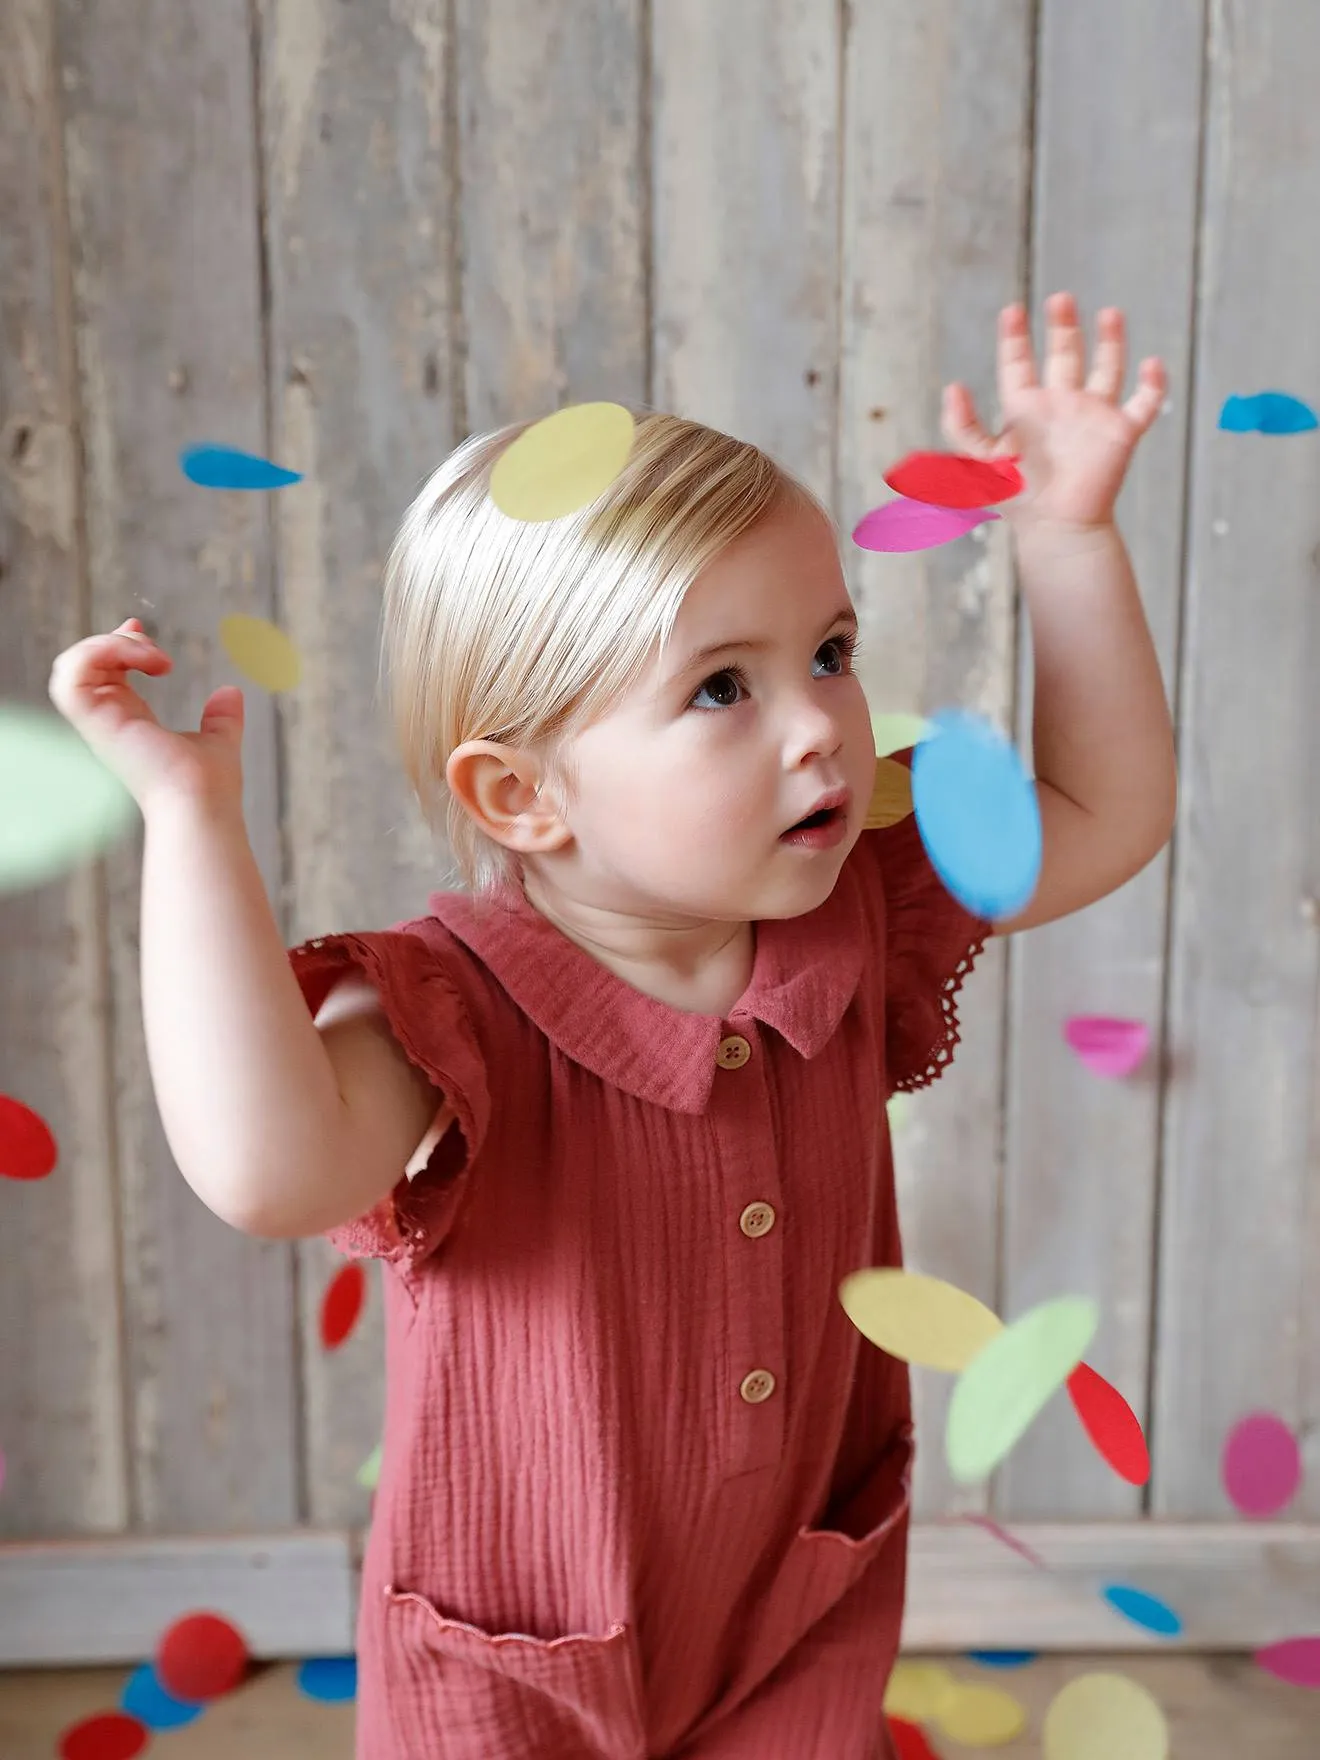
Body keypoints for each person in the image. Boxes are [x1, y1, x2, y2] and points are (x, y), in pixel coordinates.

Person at [49, 293, 1176, 1759]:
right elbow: (272, 1174)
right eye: (723, 687)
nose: (820, 724)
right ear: (523, 796)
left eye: (829, 651)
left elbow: (1105, 814)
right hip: (514, 1658)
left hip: (792, 1606)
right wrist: (191, 825)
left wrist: (1067, 538)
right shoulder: (450, 1009)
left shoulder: (863, 895)